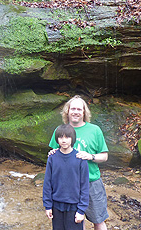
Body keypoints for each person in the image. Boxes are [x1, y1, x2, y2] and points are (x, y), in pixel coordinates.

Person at [49, 95, 109, 230]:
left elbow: (104, 156)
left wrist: (91, 156)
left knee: (98, 221)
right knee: (74, 223)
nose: (76, 112)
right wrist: (52, 153)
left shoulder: (95, 130)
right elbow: (54, 154)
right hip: (67, 186)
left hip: (91, 182)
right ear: (67, 112)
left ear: (84, 112)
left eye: (79, 109)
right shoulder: (60, 131)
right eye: (73, 109)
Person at [43, 124, 89, 230]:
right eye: (60, 137)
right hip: (56, 205)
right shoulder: (52, 158)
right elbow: (47, 183)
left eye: (67, 137)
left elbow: (84, 186)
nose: (64, 140)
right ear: (57, 139)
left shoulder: (80, 158)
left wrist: (81, 210)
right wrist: (48, 206)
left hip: (74, 205)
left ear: (72, 139)